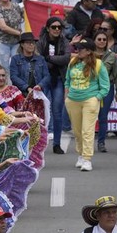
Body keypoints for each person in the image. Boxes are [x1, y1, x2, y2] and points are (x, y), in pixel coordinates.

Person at [65, 38, 110, 172]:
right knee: (77, 131)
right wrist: (66, 96)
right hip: (73, 100)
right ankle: (80, 154)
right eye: (77, 48)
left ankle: (87, 159)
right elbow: (67, 80)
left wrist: (97, 98)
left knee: (87, 131)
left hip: (90, 100)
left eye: (81, 49)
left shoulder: (98, 64)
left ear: (89, 51)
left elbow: (105, 85)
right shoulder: (73, 62)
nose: (78, 51)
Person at [36, 16, 70, 154]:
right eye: (54, 27)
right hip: (43, 79)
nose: (56, 29)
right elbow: (39, 59)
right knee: (41, 111)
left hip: (58, 79)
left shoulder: (64, 41)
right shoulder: (40, 42)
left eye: (59, 27)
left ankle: (57, 143)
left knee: (57, 111)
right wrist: (55, 60)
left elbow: (66, 58)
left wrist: (49, 58)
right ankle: (38, 144)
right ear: (48, 28)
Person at [94, 31, 117, 153]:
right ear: (94, 40)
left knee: (103, 116)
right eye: (99, 39)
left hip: (107, 87)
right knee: (89, 116)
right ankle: (86, 143)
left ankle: (101, 143)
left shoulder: (112, 56)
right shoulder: (88, 54)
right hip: (91, 88)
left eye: (104, 39)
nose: (101, 41)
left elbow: (116, 74)